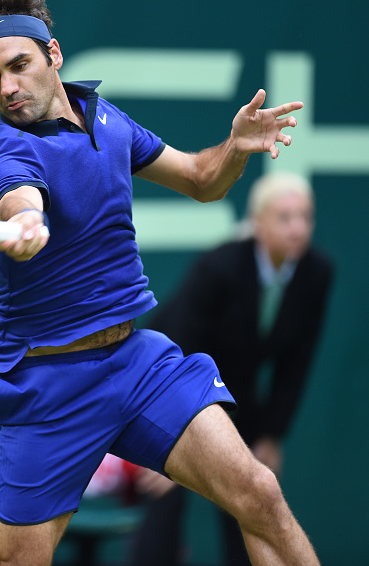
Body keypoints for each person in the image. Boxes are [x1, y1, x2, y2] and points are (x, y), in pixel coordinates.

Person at [0, 0, 321, 565]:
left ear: (53, 54)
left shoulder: (106, 119)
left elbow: (201, 180)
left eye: (18, 65)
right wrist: (25, 224)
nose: (8, 88)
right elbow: (21, 200)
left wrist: (235, 146)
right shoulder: (8, 156)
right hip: (50, 388)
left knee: (259, 493)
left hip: (134, 362)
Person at [128, 173, 333, 566]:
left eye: (305, 218)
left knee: (254, 497)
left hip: (237, 395)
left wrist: (272, 435)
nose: (298, 229)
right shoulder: (220, 267)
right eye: (285, 217)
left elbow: (296, 362)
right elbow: (177, 346)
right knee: (165, 493)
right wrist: (167, 434)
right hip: (169, 384)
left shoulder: (317, 274)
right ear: (258, 223)